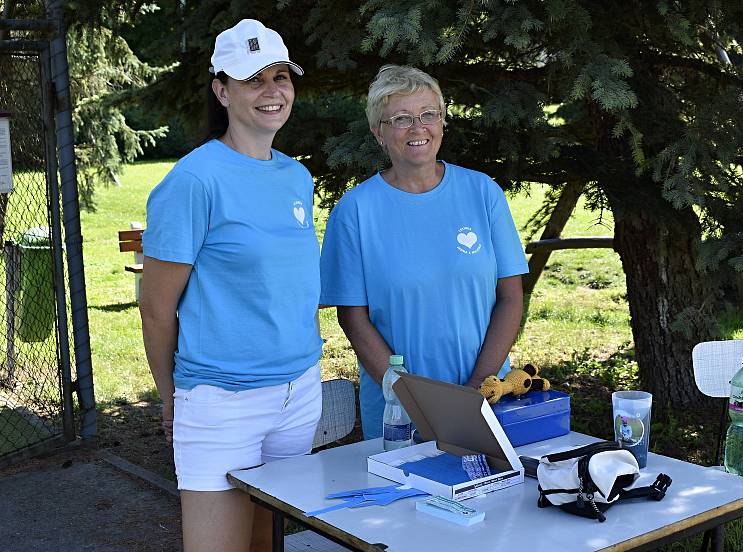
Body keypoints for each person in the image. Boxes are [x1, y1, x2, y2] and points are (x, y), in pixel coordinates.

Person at [139, 19, 322, 552]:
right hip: (220, 402)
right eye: (253, 79)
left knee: (270, 544)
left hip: (298, 394)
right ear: (222, 90)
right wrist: (172, 400)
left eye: (281, 77)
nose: (273, 92)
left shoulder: (295, 177)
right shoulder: (193, 182)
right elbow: (155, 309)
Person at [320, 64, 529, 439]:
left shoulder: (482, 193)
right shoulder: (355, 211)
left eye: (428, 115)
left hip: (485, 397)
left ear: (443, 123)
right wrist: (410, 401)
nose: (418, 129)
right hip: (398, 411)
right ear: (378, 132)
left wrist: (477, 387)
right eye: (401, 119)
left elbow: (510, 296)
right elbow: (353, 317)